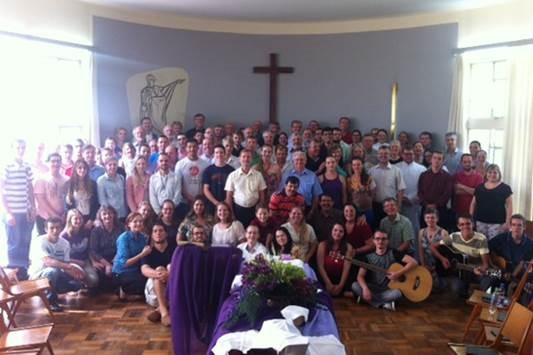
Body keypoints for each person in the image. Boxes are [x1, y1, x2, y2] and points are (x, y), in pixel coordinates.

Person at [351, 230, 418, 310]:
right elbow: (360, 276)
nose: (380, 241)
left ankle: (369, 301)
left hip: (390, 290)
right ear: (374, 241)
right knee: (355, 285)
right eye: (377, 239)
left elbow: (414, 262)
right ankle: (384, 304)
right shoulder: (368, 257)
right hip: (374, 288)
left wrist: (398, 273)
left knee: (398, 293)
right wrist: (365, 289)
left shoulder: (394, 253)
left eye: (383, 239)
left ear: (387, 241)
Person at [28, 217, 84, 312]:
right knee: (53, 270)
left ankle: (52, 291)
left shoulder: (65, 243)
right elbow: (48, 262)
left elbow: (65, 264)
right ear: (46, 229)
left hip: (56, 274)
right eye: (52, 228)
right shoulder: (39, 241)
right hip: (37, 277)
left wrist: (76, 273)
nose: (55, 230)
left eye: (57, 228)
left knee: (77, 284)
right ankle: (51, 301)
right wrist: (69, 266)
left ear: (61, 228)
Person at [1, 139, 36, 278]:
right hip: (12, 212)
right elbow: (1, 189)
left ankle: (23, 272)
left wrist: (33, 207)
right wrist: (8, 213)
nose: (21, 150)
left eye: (23, 147)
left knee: (25, 242)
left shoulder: (27, 166)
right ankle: (13, 275)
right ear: (12, 148)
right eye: (18, 148)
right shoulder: (6, 166)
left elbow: (30, 188)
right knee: (14, 243)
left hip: (26, 211)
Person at [430, 215, 491, 297]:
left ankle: (479, 303)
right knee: (456, 289)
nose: (465, 226)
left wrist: (480, 270)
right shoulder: (453, 236)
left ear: (473, 224)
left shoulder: (481, 239)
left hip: (475, 270)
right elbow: (432, 247)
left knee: (487, 280)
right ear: (458, 226)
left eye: (468, 223)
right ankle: (465, 295)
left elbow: (485, 264)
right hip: (459, 272)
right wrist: (442, 259)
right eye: (462, 224)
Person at [142, 223, 175, 327]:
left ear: (166, 233)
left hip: (171, 284)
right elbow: (144, 269)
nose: (158, 233)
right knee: (159, 269)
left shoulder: (174, 248)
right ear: (151, 235)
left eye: (161, 230)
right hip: (154, 290)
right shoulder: (148, 250)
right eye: (155, 231)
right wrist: (159, 274)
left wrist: (168, 274)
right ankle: (165, 312)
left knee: (170, 267)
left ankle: (161, 309)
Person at [224, 149, 267, 227]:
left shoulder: (258, 175)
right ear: (239, 159)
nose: (246, 159)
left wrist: (259, 212)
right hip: (238, 210)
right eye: (244, 157)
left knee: (253, 232)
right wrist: (231, 214)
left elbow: (262, 195)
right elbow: (228, 197)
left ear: (251, 159)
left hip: (254, 210)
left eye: (248, 157)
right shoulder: (232, 175)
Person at [113, 212, 150, 300]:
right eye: (135, 221)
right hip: (122, 272)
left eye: (140, 221)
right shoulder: (123, 238)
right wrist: (142, 254)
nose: (138, 224)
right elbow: (124, 263)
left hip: (136, 270)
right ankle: (122, 290)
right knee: (145, 283)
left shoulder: (142, 237)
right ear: (129, 224)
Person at [470, 164, 513, 239]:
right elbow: (473, 204)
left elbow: (509, 205)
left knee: (495, 246)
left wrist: (507, 222)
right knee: (481, 245)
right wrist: (471, 219)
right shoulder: (479, 187)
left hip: (497, 223)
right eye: (490, 172)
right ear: (486, 174)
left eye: (495, 172)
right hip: (480, 221)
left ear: (499, 174)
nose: (492, 175)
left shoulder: (505, 188)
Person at [489, 214, 533, 285]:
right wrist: (493, 265)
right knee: (488, 273)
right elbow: (486, 248)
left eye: (519, 225)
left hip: (518, 274)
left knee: (526, 281)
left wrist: (512, 276)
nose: (516, 228)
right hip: (501, 270)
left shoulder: (530, 244)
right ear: (510, 226)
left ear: (524, 227)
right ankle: (486, 295)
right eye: (513, 224)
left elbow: (522, 263)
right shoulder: (501, 238)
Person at [60, 209, 99, 289]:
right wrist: (77, 262)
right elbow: (61, 258)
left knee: (94, 280)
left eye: (80, 218)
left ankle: (83, 282)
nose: (78, 221)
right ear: (70, 220)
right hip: (70, 262)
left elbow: (89, 250)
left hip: (85, 261)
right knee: (78, 278)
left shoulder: (86, 231)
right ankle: (77, 283)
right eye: (75, 219)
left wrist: (93, 261)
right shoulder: (63, 236)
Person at [369, 146, 406, 227]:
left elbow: (401, 189)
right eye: (381, 153)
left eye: (386, 153)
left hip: (391, 206)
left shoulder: (396, 170)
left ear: (390, 155)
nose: (383, 156)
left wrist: (399, 206)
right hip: (376, 205)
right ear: (377, 155)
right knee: (377, 228)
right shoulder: (371, 171)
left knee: (392, 230)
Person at [90, 206, 124, 289]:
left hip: (117, 257)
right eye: (104, 214)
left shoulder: (121, 228)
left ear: (114, 215)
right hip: (102, 259)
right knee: (101, 274)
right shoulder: (96, 231)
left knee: (120, 273)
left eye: (110, 213)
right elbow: (94, 251)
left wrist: (115, 260)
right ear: (100, 217)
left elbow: (123, 246)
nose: (107, 216)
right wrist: (107, 264)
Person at [396, 146, 426, 241]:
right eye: (406, 154)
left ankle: (416, 254)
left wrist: (413, 199)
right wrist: (402, 198)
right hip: (399, 203)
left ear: (414, 155)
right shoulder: (395, 167)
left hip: (415, 203)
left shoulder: (422, 169)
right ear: (402, 155)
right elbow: (393, 186)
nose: (408, 156)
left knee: (415, 229)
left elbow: (423, 187)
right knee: (399, 229)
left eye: (411, 154)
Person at [33, 153, 68, 235]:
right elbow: (40, 199)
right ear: (48, 163)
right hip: (45, 218)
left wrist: (65, 215)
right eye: (53, 161)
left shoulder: (67, 180)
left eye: (58, 161)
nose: (56, 163)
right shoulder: (41, 179)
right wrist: (54, 215)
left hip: (63, 219)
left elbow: (69, 199)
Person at [417, 151, 453, 229]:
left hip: (441, 210)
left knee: (442, 236)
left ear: (443, 161)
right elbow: (419, 192)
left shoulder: (447, 177)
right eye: (435, 158)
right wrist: (427, 205)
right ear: (431, 160)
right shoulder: (423, 175)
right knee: (424, 233)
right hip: (426, 210)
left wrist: (435, 205)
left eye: (439, 159)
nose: (437, 160)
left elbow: (447, 194)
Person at [316, 223, 354, 296]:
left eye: (341, 231)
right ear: (331, 231)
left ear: (344, 234)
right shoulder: (323, 245)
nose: (337, 233)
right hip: (325, 277)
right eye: (335, 230)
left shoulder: (348, 247)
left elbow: (346, 268)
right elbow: (320, 266)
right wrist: (328, 283)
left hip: (341, 278)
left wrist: (340, 286)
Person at [174, 139, 210, 212]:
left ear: (198, 148)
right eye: (189, 147)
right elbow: (178, 184)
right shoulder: (180, 164)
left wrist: (198, 199)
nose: (192, 149)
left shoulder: (205, 164)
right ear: (186, 148)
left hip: (201, 201)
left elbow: (205, 183)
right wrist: (189, 197)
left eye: (194, 147)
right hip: (184, 201)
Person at [417, 208, 449, 289]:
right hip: (426, 265)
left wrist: (435, 268)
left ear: (437, 219)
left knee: (436, 286)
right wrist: (423, 265)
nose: (430, 220)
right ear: (424, 219)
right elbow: (421, 250)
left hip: (438, 266)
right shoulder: (421, 232)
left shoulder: (443, 233)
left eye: (432, 218)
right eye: (427, 218)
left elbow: (447, 253)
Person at [65, 160, 99, 229]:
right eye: (80, 168)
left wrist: (91, 220)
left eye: (84, 168)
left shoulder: (93, 184)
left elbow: (95, 203)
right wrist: (75, 219)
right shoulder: (69, 184)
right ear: (75, 169)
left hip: (89, 217)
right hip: (75, 219)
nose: (82, 170)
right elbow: (68, 204)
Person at [202, 145, 235, 214]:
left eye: (221, 152)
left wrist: (226, 201)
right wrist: (216, 203)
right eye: (216, 152)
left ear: (225, 154)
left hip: (227, 204)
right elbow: (206, 189)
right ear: (214, 154)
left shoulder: (231, 170)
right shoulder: (208, 170)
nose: (219, 154)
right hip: (212, 204)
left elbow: (234, 188)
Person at [453, 153, 483, 218]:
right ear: (461, 163)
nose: (467, 164)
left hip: (474, 211)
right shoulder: (456, 176)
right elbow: (456, 191)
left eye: (469, 162)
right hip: (458, 210)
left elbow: (478, 193)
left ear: (473, 162)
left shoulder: (479, 176)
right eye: (465, 162)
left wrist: (462, 186)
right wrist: (471, 190)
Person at [347, 157, 376, 225]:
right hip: (355, 210)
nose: (356, 166)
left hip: (367, 209)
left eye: (358, 164)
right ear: (352, 166)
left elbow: (373, 194)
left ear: (362, 165)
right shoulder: (349, 180)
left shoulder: (369, 178)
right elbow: (349, 194)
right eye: (354, 165)